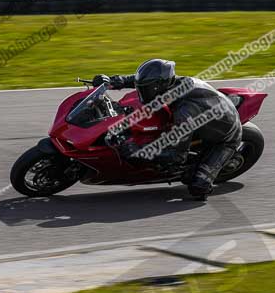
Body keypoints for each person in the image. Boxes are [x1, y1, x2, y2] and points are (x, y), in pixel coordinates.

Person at [93, 59, 243, 200]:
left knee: (198, 188)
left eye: (146, 90)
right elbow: (144, 80)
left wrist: (138, 151)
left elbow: (175, 157)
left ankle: (212, 168)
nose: (142, 92)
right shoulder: (171, 84)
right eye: (142, 88)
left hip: (226, 137)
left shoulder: (185, 112)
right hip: (210, 112)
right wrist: (113, 81)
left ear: (159, 87)